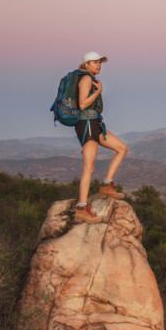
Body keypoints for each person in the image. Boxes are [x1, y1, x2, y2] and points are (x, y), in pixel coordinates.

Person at [74, 51, 129, 223]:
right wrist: (98, 92)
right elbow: (82, 104)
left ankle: (106, 185)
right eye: (95, 62)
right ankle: (81, 209)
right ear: (86, 64)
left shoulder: (91, 79)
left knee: (122, 148)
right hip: (87, 125)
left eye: (100, 63)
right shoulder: (86, 79)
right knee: (88, 168)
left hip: (95, 124)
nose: (99, 65)